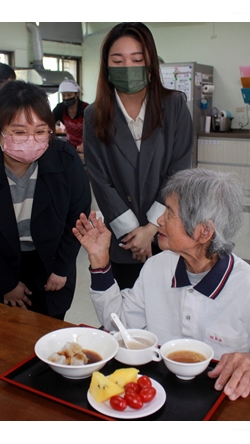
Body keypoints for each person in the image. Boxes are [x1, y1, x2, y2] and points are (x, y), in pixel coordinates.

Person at [73, 168, 250, 400]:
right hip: (157, 394)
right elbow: (120, 326)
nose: (158, 220)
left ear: (204, 231)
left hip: (220, 403)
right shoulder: (158, 267)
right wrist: (99, 260)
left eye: (169, 213)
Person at [0, 80, 91, 320]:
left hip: (53, 260)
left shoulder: (65, 159)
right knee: (8, 334)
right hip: (3, 263)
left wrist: (61, 269)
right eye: (19, 132)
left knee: (51, 331)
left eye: (40, 131)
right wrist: (5, 283)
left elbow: (78, 217)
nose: (31, 140)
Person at [83, 22, 194, 290]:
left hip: (168, 233)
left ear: (150, 63)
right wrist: (135, 235)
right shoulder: (95, 115)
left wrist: (152, 228)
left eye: (137, 59)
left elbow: (178, 174)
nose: (128, 67)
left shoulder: (175, 107)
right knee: (128, 311)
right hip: (124, 239)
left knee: (171, 311)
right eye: (117, 60)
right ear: (106, 66)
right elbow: (100, 180)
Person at [52, 79, 89, 154]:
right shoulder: (60, 108)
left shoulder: (86, 109)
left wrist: (85, 144)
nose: (66, 98)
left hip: (87, 146)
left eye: (69, 95)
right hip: (70, 146)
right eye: (63, 95)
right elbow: (48, 123)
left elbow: (96, 131)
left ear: (76, 94)